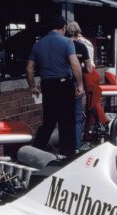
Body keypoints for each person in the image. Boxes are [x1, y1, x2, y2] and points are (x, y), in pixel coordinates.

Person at [26, 16, 83, 157]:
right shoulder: (67, 42)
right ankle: (68, 153)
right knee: (67, 120)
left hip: (47, 85)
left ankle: (36, 150)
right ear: (63, 27)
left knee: (49, 120)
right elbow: (75, 65)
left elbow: (29, 69)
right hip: (64, 84)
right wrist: (79, 84)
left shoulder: (38, 44)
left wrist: (32, 86)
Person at [67, 22, 93, 150]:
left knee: (64, 115)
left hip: (62, 83)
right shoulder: (82, 47)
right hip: (77, 84)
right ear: (78, 32)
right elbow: (89, 69)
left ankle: (65, 146)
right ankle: (76, 146)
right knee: (77, 116)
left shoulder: (63, 45)